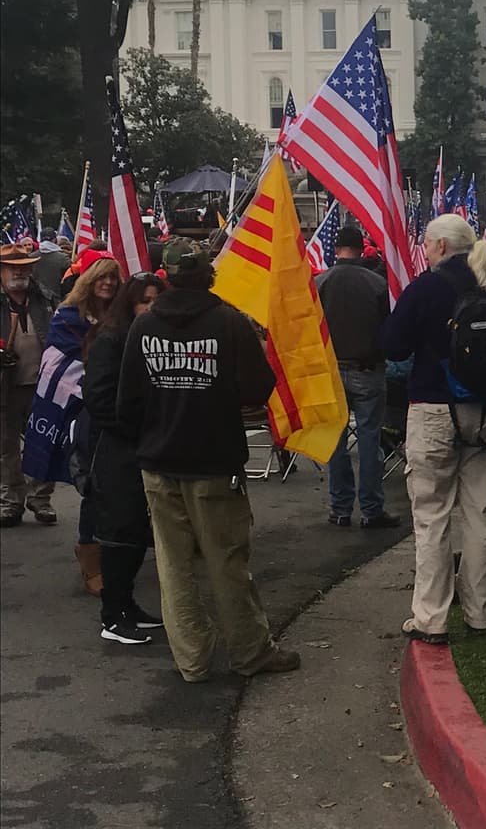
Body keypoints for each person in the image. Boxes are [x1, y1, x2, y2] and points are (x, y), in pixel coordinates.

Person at [117, 240, 299, 681]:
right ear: (208, 275)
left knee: (173, 565)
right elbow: (258, 388)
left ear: (167, 276)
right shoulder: (229, 323)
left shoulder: (144, 328)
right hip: (215, 462)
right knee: (227, 561)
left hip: (159, 462)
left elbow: (128, 404)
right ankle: (250, 652)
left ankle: (192, 660)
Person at [384, 215, 486, 645]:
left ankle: (432, 618)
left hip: (434, 407)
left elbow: (394, 345)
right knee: (480, 514)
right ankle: (481, 613)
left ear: (440, 246)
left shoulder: (424, 289)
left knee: (432, 517)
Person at [30, 251, 122, 595]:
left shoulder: (120, 315)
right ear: (88, 280)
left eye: (113, 277)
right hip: (82, 415)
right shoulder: (67, 317)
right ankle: (90, 558)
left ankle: (119, 551)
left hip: (119, 411)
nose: (108, 283)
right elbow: (63, 365)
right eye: (102, 277)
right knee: (94, 486)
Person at [83, 272, 167, 644]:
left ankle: (127, 605)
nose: (151, 307)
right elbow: (99, 401)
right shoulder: (111, 339)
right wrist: (137, 428)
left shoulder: (153, 338)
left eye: (156, 301)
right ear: (130, 303)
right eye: (144, 300)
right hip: (117, 449)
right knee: (119, 532)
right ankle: (112, 616)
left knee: (135, 533)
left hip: (147, 446)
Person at [315, 224, 398, 529]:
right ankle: (372, 509)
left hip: (331, 368)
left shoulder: (320, 282)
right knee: (369, 438)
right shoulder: (376, 284)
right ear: (361, 249)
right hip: (368, 368)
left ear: (335, 249)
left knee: (335, 443)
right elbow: (388, 329)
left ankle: (340, 507)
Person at [0, 243, 58, 527]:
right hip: (5, 387)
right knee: (6, 446)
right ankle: (11, 501)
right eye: (12, 267)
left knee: (43, 442)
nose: (18, 273)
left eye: (23, 267)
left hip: (41, 383)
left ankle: (41, 499)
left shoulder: (45, 298)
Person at [34, 227, 71, 295]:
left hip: (36, 298)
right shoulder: (63, 258)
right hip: (58, 298)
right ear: (55, 240)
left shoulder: (31, 257)